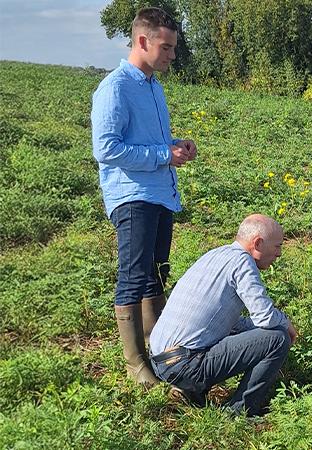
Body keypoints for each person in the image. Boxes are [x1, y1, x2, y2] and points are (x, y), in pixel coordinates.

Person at [91, 7, 197, 385]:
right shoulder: (115, 87)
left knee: (156, 274)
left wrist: (175, 147)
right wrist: (162, 155)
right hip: (132, 196)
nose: (171, 55)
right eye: (166, 47)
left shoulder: (153, 87)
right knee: (134, 277)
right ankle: (136, 364)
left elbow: (150, 143)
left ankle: (158, 351)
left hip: (159, 194)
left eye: (172, 48)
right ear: (142, 41)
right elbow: (106, 148)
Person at [149, 215, 298, 416]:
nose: (279, 254)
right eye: (277, 246)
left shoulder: (216, 254)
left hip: (161, 360)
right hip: (185, 364)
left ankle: (190, 390)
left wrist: (259, 330)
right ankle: (239, 411)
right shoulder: (242, 262)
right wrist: (285, 322)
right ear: (258, 243)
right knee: (277, 339)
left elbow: (226, 321)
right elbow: (266, 318)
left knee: (261, 333)